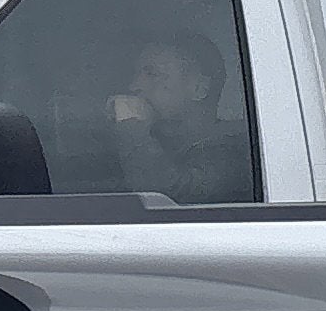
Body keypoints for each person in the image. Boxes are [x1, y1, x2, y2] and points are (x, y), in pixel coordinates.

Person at [108, 33, 252, 203]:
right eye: (137, 74)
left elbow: (172, 199)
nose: (134, 86)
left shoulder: (233, 154)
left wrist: (131, 127)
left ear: (199, 89)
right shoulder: (158, 143)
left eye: (152, 74)